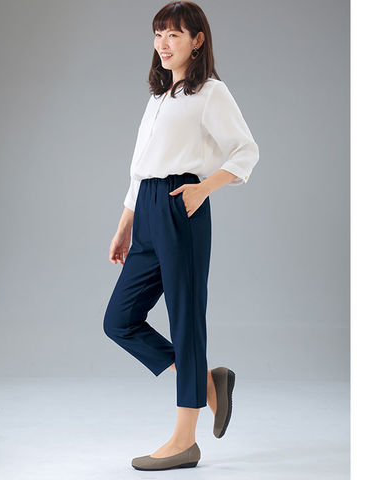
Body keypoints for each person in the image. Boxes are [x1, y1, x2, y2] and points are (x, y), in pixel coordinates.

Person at [103, 1, 259, 471]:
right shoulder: (159, 96)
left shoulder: (210, 92)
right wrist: (125, 225)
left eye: (173, 34)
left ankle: (185, 440)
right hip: (147, 211)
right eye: (158, 34)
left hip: (180, 206)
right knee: (120, 321)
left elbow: (245, 151)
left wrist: (203, 189)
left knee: (185, 320)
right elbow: (140, 169)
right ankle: (208, 383)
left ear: (197, 40)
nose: (163, 44)